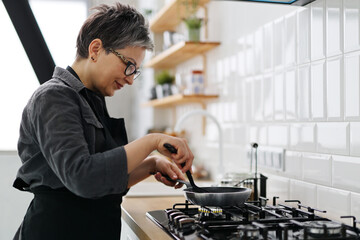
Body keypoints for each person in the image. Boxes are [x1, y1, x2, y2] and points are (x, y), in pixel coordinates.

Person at [13, 3, 194, 240]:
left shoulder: (91, 99)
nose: (130, 80)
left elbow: (103, 180)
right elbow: (83, 178)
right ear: (96, 49)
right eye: (129, 65)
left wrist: (151, 165)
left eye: (135, 71)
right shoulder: (54, 97)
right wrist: (152, 140)